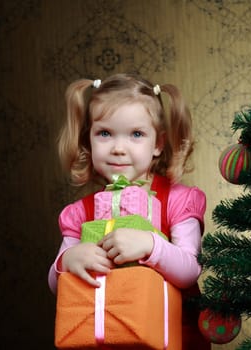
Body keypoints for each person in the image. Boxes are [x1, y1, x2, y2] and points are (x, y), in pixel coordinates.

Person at [48, 73, 210, 349]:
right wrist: (67, 261)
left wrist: (150, 246)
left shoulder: (177, 200)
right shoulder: (80, 212)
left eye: (136, 134)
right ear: (88, 140)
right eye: (104, 134)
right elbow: (55, 283)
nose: (119, 148)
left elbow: (189, 271)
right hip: (108, 336)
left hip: (173, 338)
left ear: (157, 143)